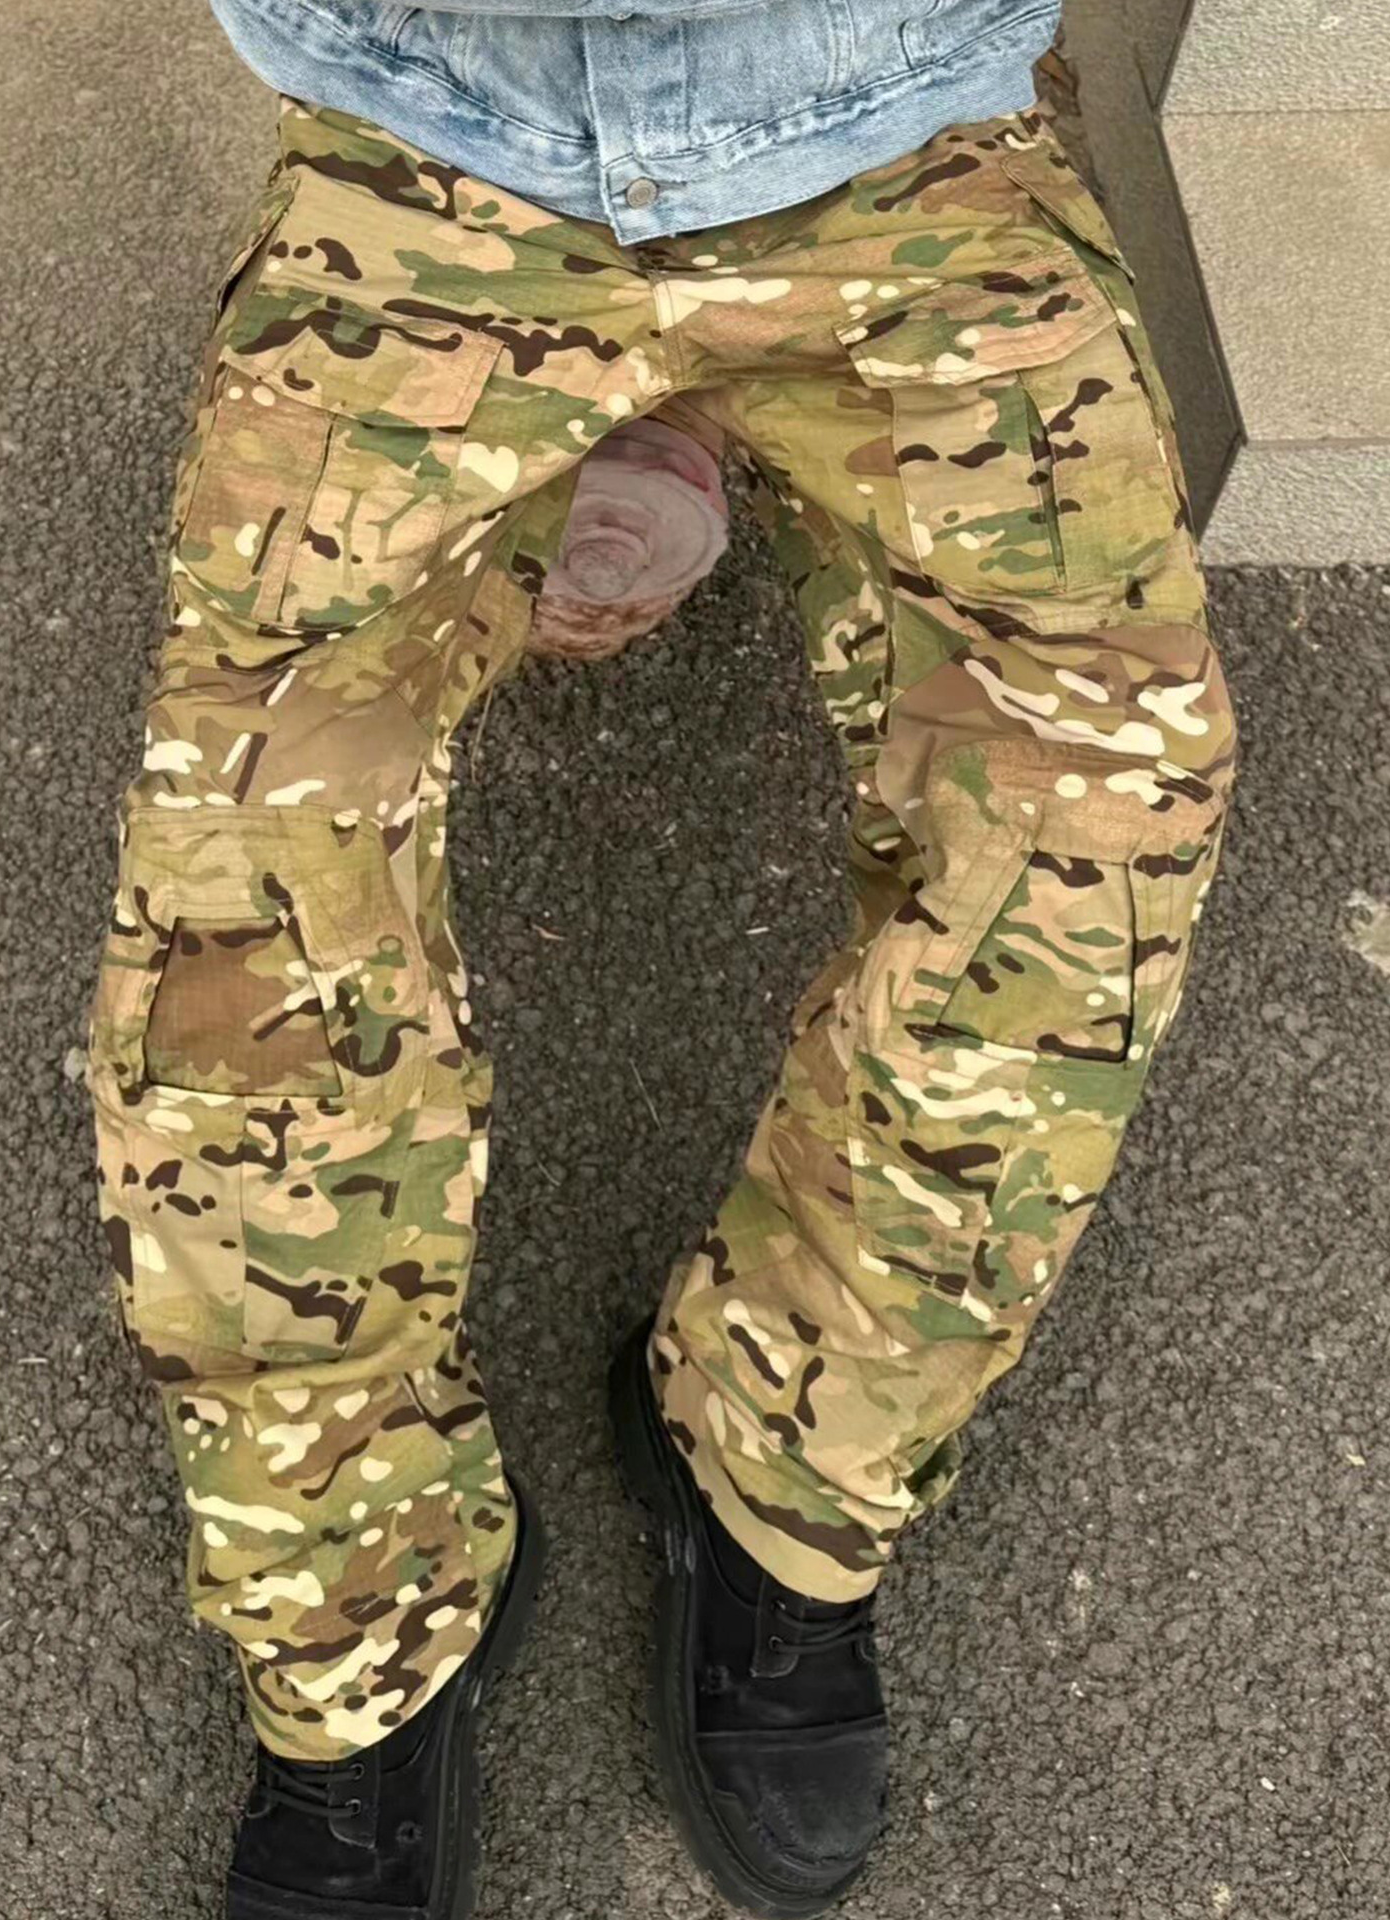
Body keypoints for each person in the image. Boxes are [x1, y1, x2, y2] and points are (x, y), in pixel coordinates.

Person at [83, 1, 1238, 1914]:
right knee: (242, 896)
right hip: (436, 137)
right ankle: (357, 1627)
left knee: (1103, 821)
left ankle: (782, 1457)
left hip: (904, 128)